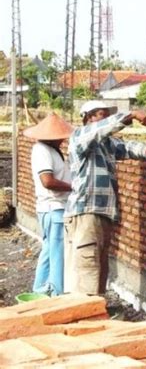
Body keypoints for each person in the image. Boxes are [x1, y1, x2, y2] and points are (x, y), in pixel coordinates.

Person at [64, 100, 146, 295]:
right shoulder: (80, 136)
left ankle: (97, 310)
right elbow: (101, 129)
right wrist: (133, 115)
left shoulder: (108, 144)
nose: (105, 118)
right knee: (87, 268)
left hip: (102, 213)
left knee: (100, 266)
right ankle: (84, 316)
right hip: (85, 212)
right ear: (89, 118)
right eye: (101, 114)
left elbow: (128, 148)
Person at [24, 113, 74, 296]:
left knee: (49, 250)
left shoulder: (52, 150)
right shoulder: (42, 150)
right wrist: (73, 187)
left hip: (53, 208)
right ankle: (57, 293)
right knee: (58, 253)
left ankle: (40, 290)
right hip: (53, 207)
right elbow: (48, 181)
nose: (62, 139)